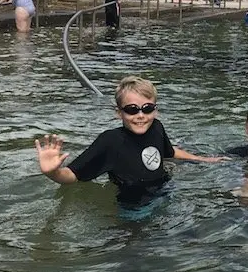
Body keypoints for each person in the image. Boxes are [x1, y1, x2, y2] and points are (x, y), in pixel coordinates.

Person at [35, 76, 226, 205]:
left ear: (156, 110)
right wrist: (53, 172)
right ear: (119, 113)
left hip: (164, 191)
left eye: (147, 108)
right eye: (132, 109)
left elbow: (170, 152)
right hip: (133, 205)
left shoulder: (157, 127)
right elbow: (73, 175)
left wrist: (204, 160)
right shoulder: (110, 141)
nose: (141, 115)